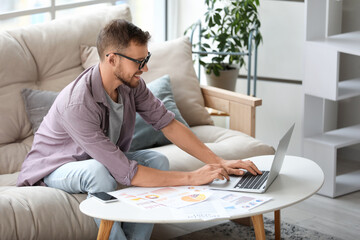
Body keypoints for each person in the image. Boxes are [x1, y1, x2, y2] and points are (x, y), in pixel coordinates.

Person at [17, 19, 261, 240]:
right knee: (97, 171)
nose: (144, 68)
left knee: (157, 161)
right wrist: (193, 177)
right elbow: (126, 171)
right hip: (54, 166)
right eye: (138, 62)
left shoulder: (132, 85)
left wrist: (219, 161)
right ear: (112, 59)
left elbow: (168, 124)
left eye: (146, 59)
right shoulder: (77, 103)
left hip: (100, 158)